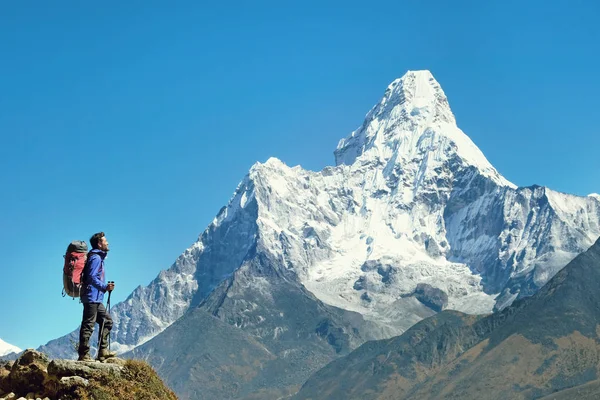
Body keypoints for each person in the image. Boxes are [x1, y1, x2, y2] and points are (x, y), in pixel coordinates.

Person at [78, 232, 116, 361]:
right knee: (88, 324)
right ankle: (83, 355)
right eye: (105, 241)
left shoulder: (98, 257)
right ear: (99, 244)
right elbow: (92, 277)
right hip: (91, 297)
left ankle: (102, 351)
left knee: (107, 321)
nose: (107, 243)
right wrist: (104, 287)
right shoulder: (95, 258)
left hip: (96, 298)